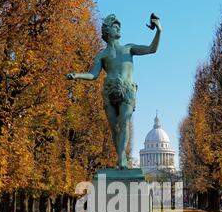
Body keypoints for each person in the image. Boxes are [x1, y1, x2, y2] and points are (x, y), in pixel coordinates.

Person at [66, 13, 162, 169]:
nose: (118, 28)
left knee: (124, 120)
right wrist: (77, 75)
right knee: (113, 127)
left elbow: (152, 49)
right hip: (109, 90)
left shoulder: (128, 49)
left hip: (127, 89)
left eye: (119, 26)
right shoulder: (102, 55)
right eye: (115, 26)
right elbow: (93, 74)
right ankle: (121, 156)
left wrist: (159, 30)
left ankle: (122, 159)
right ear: (107, 31)